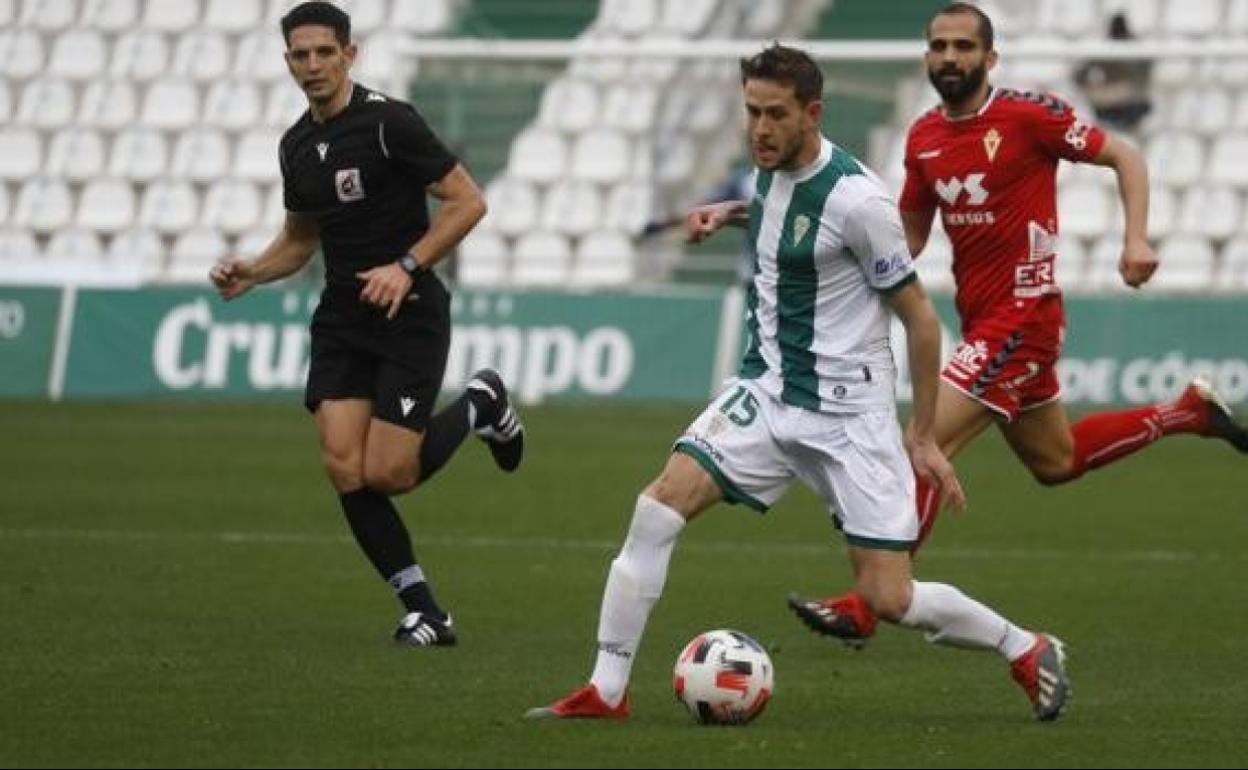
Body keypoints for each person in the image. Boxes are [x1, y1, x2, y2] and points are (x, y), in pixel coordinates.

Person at [526, 43, 1071, 723]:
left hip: (849, 420)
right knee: (657, 507)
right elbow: (787, 218)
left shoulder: (860, 200)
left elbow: (922, 322)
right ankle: (605, 691)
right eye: (751, 111)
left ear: (812, 114)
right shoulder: (770, 168)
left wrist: (925, 434)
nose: (759, 127)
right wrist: (725, 214)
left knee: (888, 599)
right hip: (767, 394)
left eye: (775, 114)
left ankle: (1023, 646)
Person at [790, 2, 1248, 646]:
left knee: (918, 445)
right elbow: (910, 235)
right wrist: (855, 276)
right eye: (938, 46)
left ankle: (871, 601)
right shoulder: (922, 138)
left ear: (989, 58)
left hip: (1023, 318)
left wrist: (1135, 240)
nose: (949, 57)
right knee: (1055, 462)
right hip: (981, 320)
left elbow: (1126, 156)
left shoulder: (1028, 116)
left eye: (962, 46)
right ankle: (1187, 414)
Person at [208, 2, 524, 648]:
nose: (314, 65)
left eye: (326, 52)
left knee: (390, 474)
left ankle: (482, 403)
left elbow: (469, 201)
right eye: (301, 54)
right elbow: (301, 239)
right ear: (288, 62)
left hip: (409, 315)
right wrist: (254, 270)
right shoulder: (295, 146)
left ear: (351, 54)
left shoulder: (390, 125)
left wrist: (406, 266)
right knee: (342, 465)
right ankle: (425, 611)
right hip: (343, 317)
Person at [1073, 12, 1153, 134]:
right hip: (1111, 103)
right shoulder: (1106, 49)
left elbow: (1145, 75)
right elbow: (1080, 75)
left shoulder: (1138, 52)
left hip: (1130, 102)